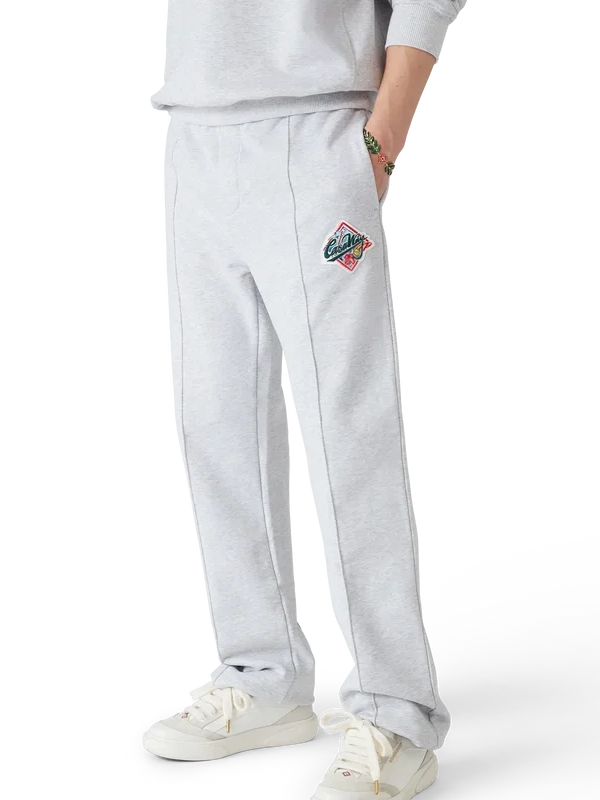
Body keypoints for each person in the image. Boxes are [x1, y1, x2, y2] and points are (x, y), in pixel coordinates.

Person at [147, 1, 461, 796]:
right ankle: (262, 675)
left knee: (344, 426)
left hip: (317, 132)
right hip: (193, 131)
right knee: (215, 423)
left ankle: (396, 711)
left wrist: (382, 136)